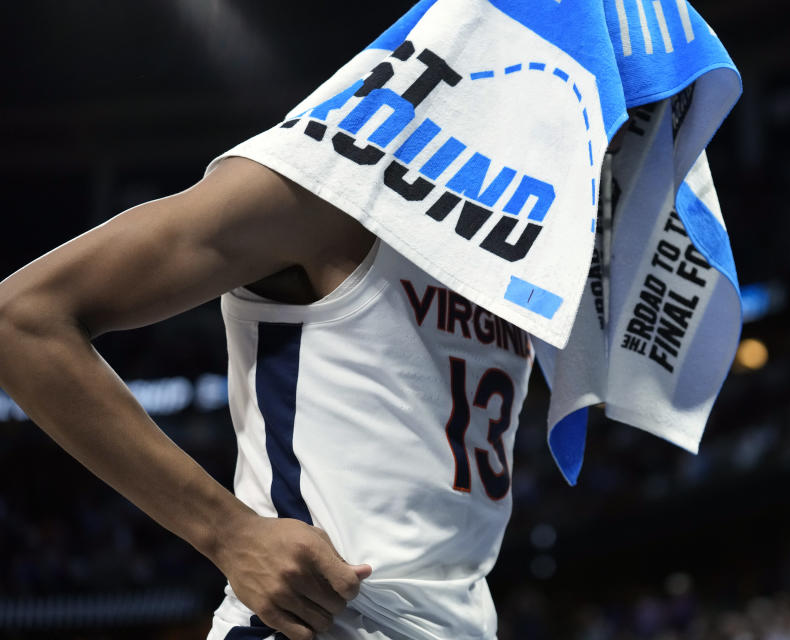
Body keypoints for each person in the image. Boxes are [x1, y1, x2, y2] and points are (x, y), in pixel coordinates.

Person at [0, 151, 533, 638]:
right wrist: (227, 532)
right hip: (317, 620)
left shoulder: (531, 247)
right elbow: (20, 322)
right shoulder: (323, 182)